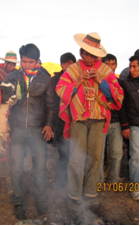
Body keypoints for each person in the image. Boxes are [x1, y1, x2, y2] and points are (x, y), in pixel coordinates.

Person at [56, 32, 124, 209]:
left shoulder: (104, 70)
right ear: (80, 53)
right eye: (86, 53)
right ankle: (74, 194)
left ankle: (90, 192)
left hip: (98, 120)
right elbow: (61, 91)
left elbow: (116, 95)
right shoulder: (73, 70)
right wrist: (78, 82)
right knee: (76, 158)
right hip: (79, 119)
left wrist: (101, 82)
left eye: (93, 54)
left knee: (95, 157)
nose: (89, 57)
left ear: (98, 55)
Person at [5, 44, 55, 219]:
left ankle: (40, 199)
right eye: (24, 61)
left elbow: (50, 105)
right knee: (16, 168)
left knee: (40, 168)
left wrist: (48, 125)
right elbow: (3, 104)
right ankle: (19, 201)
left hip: (37, 130)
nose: (26, 65)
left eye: (30, 62)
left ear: (37, 62)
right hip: (17, 130)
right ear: (20, 60)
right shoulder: (11, 77)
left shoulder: (45, 79)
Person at [51, 52, 76, 188]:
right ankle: (62, 181)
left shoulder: (78, 78)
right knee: (63, 151)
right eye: (66, 64)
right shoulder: (55, 80)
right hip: (60, 120)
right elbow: (52, 101)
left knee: (75, 151)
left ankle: (74, 180)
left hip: (76, 120)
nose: (68, 67)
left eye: (71, 64)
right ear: (62, 65)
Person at [100, 54, 124, 184]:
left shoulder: (120, 82)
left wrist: (125, 125)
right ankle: (98, 180)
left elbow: (123, 105)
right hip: (101, 122)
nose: (110, 67)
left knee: (117, 153)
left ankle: (114, 179)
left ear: (116, 65)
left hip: (116, 122)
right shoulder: (97, 81)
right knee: (98, 154)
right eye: (107, 64)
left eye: (113, 64)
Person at [120, 54, 139, 201]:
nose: (131, 70)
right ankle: (135, 188)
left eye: (134, 67)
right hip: (134, 125)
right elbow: (122, 106)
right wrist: (125, 125)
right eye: (131, 66)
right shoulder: (126, 84)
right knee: (135, 157)